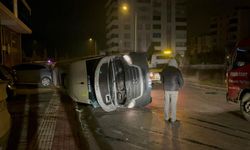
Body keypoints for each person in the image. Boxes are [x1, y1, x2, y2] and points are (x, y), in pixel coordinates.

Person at [161, 58, 184, 123]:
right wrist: (180, 87)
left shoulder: (164, 70)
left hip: (166, 89)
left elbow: (162, 79)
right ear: (175, 63)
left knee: (166, 104)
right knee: (173, 104)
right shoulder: (177, 70)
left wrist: (164, 84)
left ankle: (166, 118)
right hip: (174, 90)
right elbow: (181, 81)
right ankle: (173, 119)